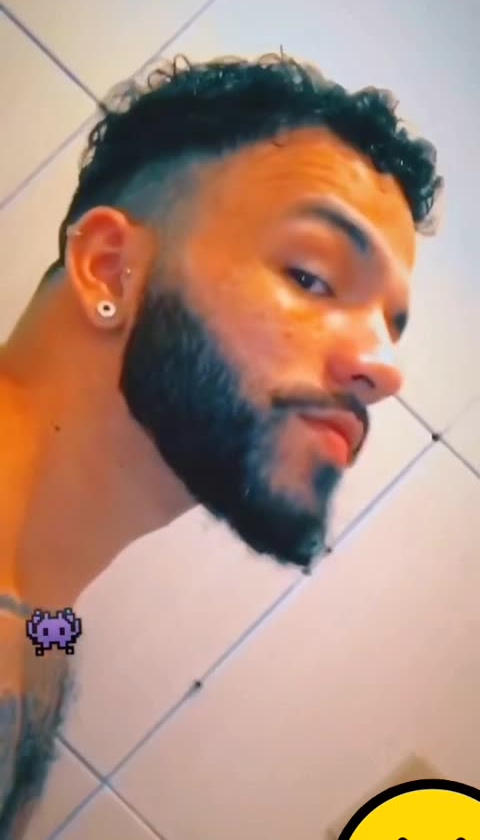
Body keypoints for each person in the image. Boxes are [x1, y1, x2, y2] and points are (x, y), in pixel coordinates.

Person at [0, 52, 442, 836]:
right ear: (108, 269)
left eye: (389, 326)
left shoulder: (45, 624)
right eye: (312, 276)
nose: (384, 369)